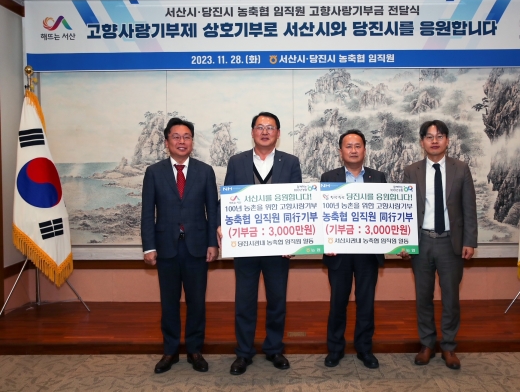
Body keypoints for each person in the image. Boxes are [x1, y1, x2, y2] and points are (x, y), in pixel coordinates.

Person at [217, 112, 302, 375]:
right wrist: (221, 224)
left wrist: (295, 241)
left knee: (277, 301)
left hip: (279, 247)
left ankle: (274, 349)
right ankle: (243, 353)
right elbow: (226, 199)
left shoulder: (291, 162)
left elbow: (298, 204)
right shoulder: (237, 161)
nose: (265, 132)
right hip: (246, 245)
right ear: (253, 132)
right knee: (244, 302)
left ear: (278, 133)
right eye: (260, 127)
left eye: (270, 128)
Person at [141, 118, 219, 374]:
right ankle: (170, 351)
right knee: (169, 303)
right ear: (167, 142)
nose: (182, 141)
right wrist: (148, 246)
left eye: (187, 137)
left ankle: (195, 350)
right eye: (176, 137)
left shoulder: (205, 171)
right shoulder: (154, 172)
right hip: (166, 248)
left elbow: (212, 211)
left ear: (192, 142)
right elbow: (147, 213)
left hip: (197, 247)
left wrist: (213, 243)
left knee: (197, 302)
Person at [399, 119, 477, 370]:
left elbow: (469, 208)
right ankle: (427, 344)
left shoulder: (460, 169)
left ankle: (449, 346)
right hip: (421, 242)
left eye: (439, 136)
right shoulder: (411, 171)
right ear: (422, 142)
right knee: (423, 296)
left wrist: (469, 241)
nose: (434, 141)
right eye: (429, 137)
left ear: (447, 141)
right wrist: (404, 242)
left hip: (450, 243)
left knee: (451, 298)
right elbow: (404, 210)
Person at [320, 129, 386, 369]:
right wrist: (326, 242)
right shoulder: (329, 177)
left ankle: (364, 349)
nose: (353, 150)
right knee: (338, 303)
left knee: (366, 303)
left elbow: (386, 213)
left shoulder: (378, 178)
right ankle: (335, 349)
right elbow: (322, 214)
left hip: (368, 252)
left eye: (358, 146)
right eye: (348, 146)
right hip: (339, 253)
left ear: (365, 150)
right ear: (340, 151)